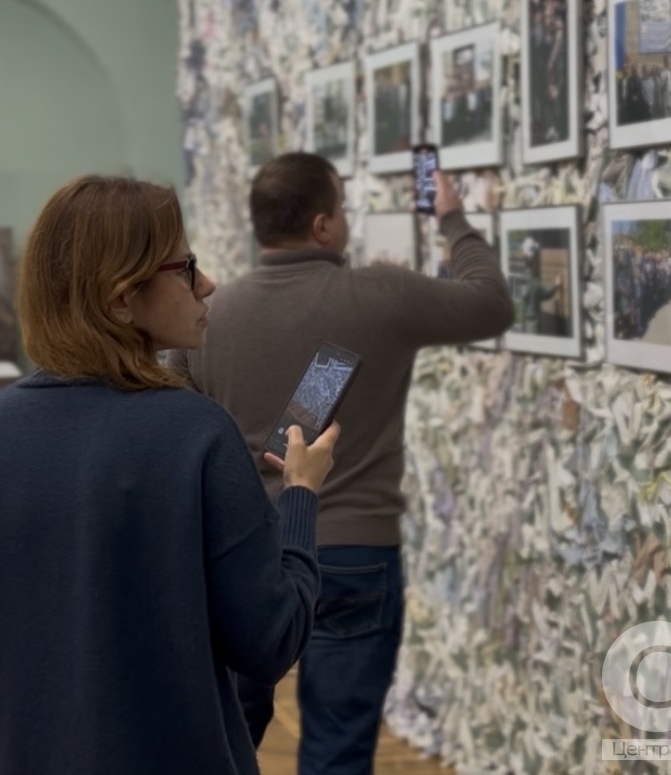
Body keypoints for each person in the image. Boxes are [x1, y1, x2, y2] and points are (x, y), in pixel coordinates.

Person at [0, 176, 339, 775]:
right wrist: (303, 494)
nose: (206, 285)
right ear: (121, 298)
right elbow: (272, 638)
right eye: (186, 268)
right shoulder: (197, 433)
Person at [169, 153, 513, 774]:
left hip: (243, 550)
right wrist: (452, 216)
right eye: (344, 209)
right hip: (355, 552)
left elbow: (176, 413)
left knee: (226, 737)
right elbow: (491, 303)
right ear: (323, 225)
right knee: (339, 744)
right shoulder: (381, 294)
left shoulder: (209, 315)